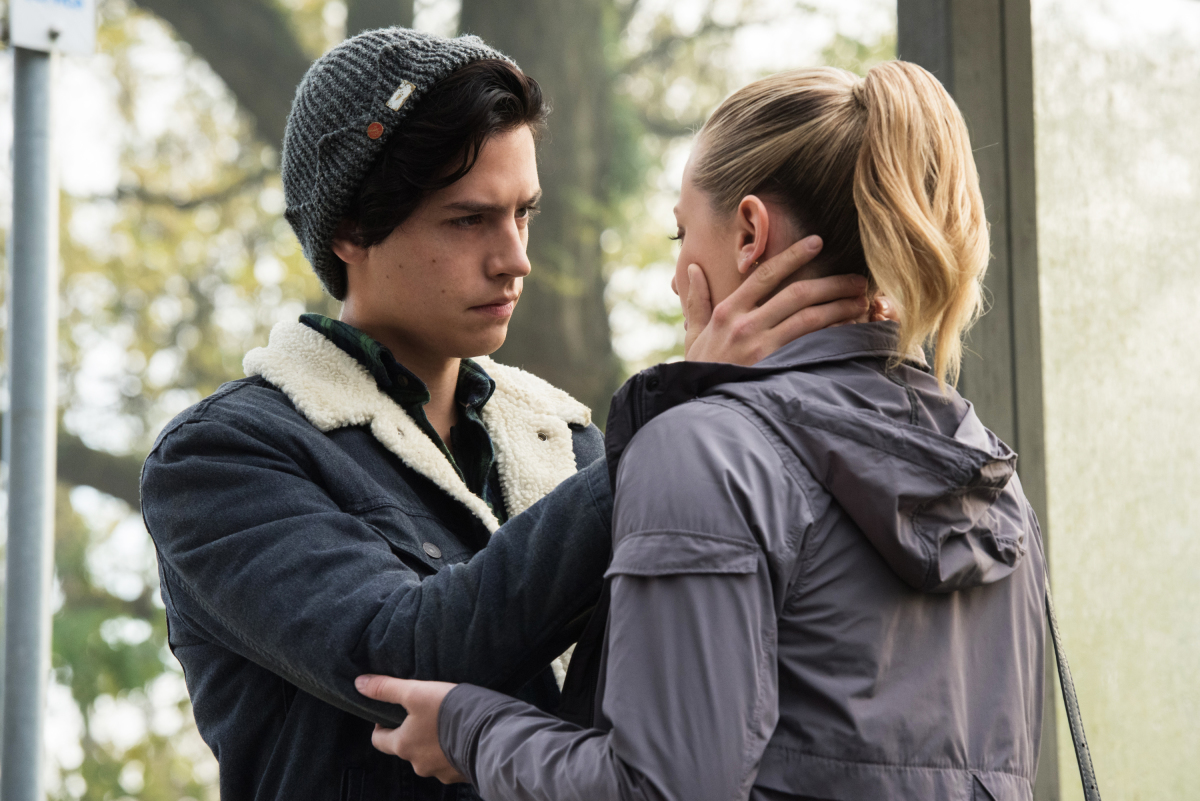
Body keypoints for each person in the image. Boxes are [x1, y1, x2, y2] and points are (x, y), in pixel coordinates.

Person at [139, 29, 873, 801]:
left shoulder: (573, 441)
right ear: (351, 229)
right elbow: (400, 656)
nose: (515, 256)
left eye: (523, 212)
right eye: (469, 219)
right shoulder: (220, 457)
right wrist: (672, 424)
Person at [359, 61, 1049, 801]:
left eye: (681, 231)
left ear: (750, 232)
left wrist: (472, 729)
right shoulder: (986, 480)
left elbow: (663, 788)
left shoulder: (705, 452)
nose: (675, 271)